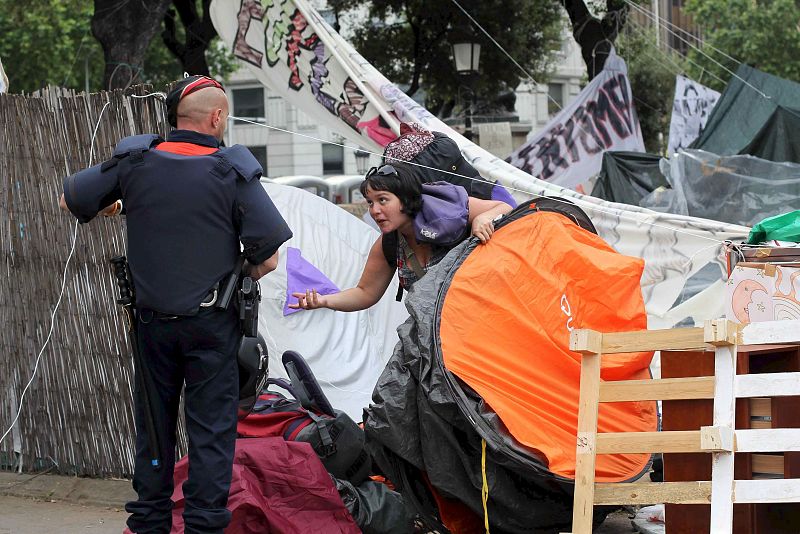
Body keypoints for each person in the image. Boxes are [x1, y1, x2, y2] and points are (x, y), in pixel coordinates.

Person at [59, 75, 292, 534]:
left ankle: (149, 523)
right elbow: (268, 259)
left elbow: (72, 200)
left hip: (152, 326)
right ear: (217, 117)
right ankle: (203, 526)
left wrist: (124, 204)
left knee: (154, 428)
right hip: (212, 326)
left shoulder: (135, 161)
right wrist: (236, 277)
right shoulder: (230, 170)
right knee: (210, 433)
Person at [289, 162, 512, 312]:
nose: (374, 210)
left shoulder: (447, 212)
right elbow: (365, 293)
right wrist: (324, 300)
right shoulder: (389, 243)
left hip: (480, 323)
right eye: (370, 202)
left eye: (383, 200)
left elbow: (506, 206)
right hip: (433, 339)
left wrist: (483, 218)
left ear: (405, 198)